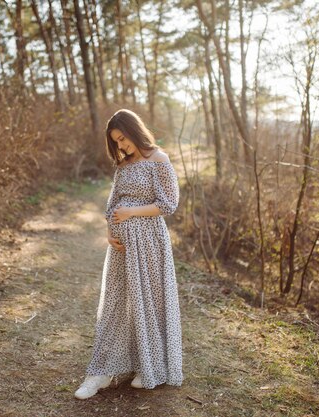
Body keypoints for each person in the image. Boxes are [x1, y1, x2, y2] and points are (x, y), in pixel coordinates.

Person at [74, 109, 183, 400]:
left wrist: (132, 212)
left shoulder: (159, 160)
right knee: (116, 303)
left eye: (122, 139)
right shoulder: (123, 165)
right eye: (116, 142)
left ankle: (147, 367)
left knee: (148, 303)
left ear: (134, 131)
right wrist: (111, 230)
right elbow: (113, 203)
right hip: (122, 247)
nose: (121, 146)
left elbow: (168, 203)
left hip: (149, 243)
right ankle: (99, 372)